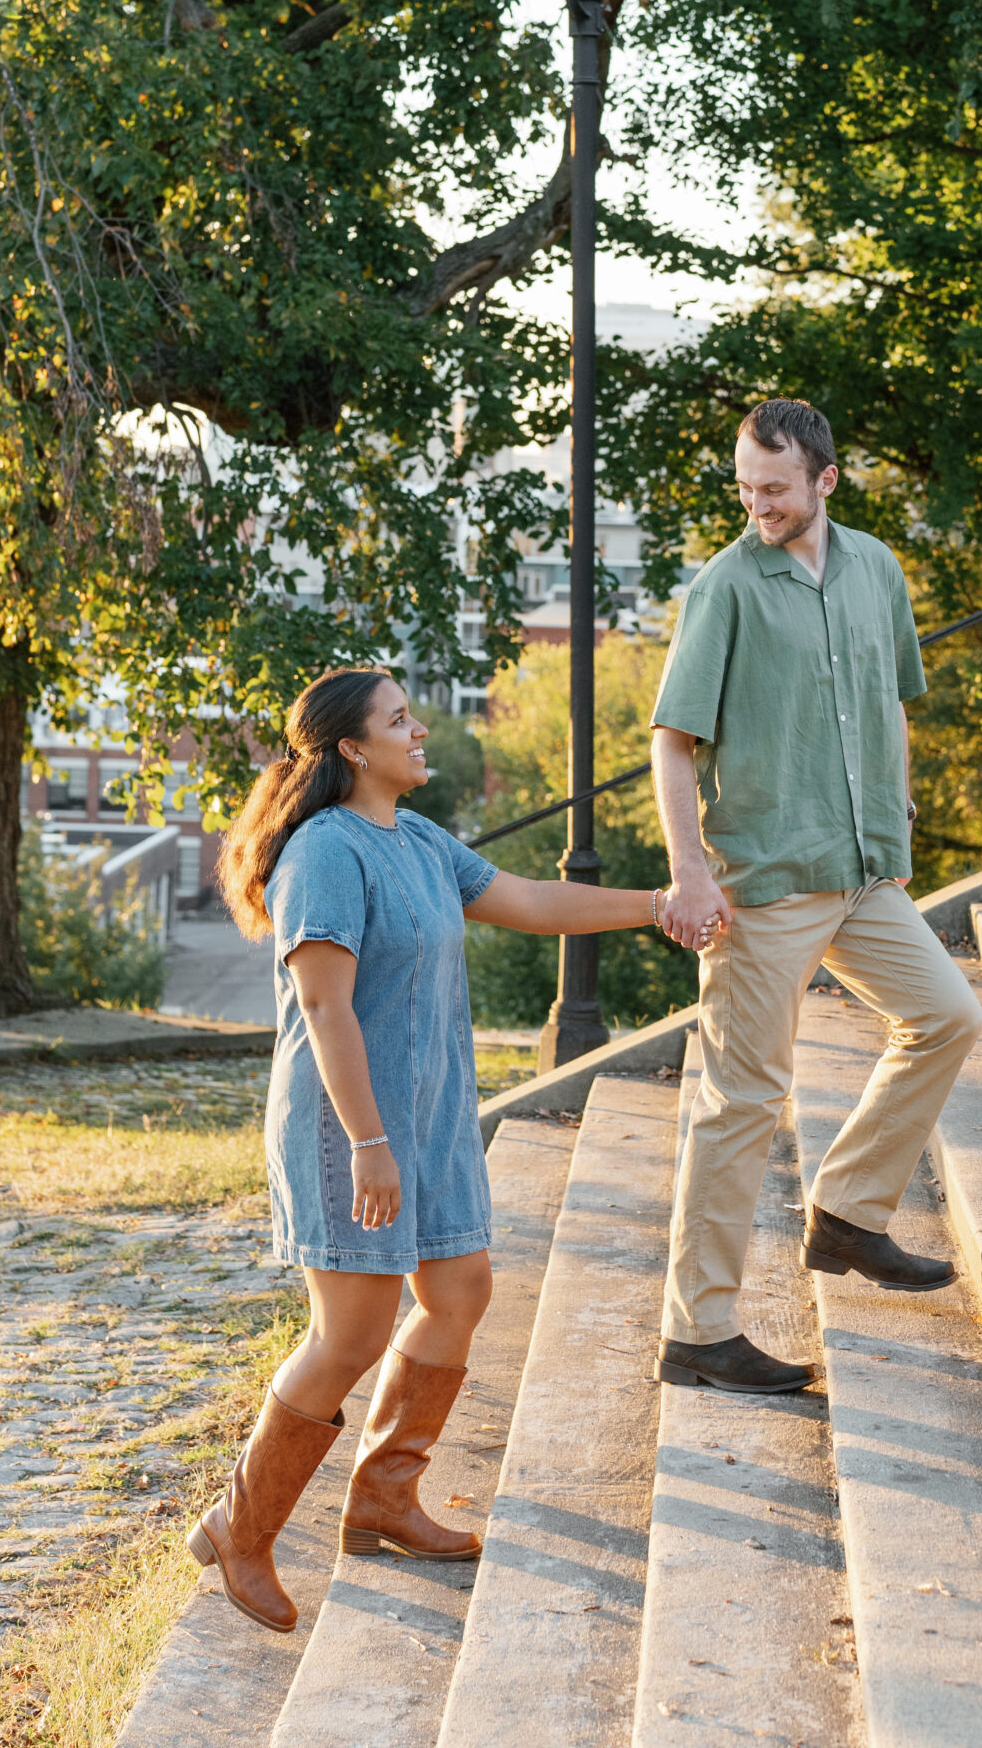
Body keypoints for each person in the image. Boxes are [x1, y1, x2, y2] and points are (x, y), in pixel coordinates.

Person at [187, 665, 667, 1632]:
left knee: (459, 1291)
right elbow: (324, 1006)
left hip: (434, 1116)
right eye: (398, 719)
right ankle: (242, 1528)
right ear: (353, 749)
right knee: (351, 1335)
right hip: (349, 1125)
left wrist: (657, 908)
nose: (419, 730)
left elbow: (532, 901)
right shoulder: (325, 852)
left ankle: (382, 1498)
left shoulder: (417, 839)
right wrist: (368, 1141)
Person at [649, 398, 982, 1394]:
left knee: (947, 1015)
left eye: (775, 489)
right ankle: (698, 1332)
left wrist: (897, 812)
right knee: (739, 1105)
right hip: (762, 886)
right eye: (745, 488)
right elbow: (671, 744)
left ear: (824, 480)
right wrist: (689, 872)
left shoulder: (876, 569)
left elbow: (884, 697)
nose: (757, 505)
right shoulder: (724, 590)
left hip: (862, 869)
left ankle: (845, 1213)